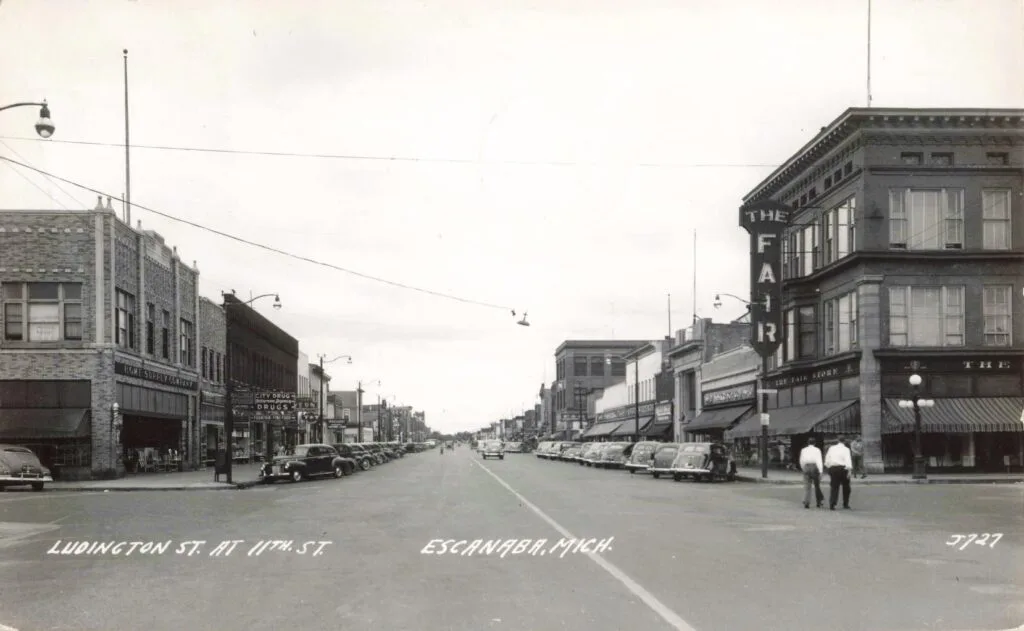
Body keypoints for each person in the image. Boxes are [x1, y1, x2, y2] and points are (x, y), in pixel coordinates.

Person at [824, 437, 854, 510]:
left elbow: (827, 458)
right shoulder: (846, 449)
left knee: (834, 486)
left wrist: (828, 467)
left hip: (833, 468)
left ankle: (832, 503)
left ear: (838, 441)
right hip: (843, 468)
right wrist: (849, 470)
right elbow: (848, 460)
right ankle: (845, 503)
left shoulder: (831, 448)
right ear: (844, 442)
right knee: (846, 487)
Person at [798, 438, 825, 509]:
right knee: (817, 485)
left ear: (808, 443)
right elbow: (819, 460)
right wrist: (821, 471)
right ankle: (819, 501)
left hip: (806, 466)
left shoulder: (803, 450)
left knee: (807, 486)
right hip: (814, 466)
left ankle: (806, 501)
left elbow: (801, 460)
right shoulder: (817, 450)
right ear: (814, 443)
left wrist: (803, 467)